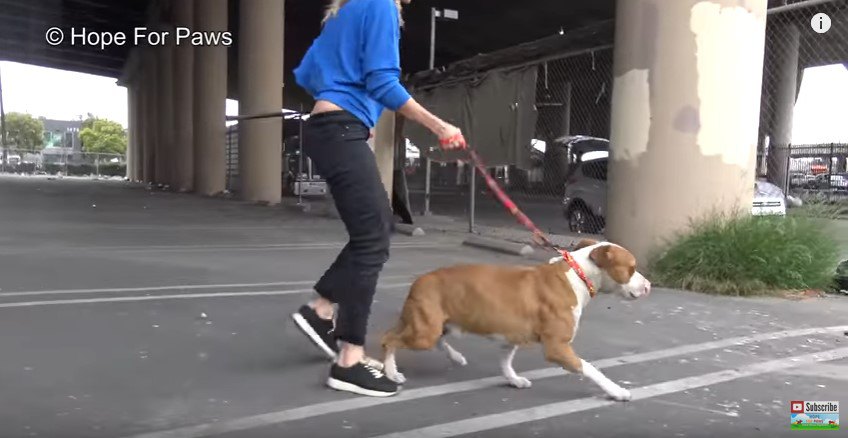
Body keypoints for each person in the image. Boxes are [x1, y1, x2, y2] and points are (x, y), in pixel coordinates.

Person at [290, 0, 466, 398]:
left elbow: (307, 71)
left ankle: (320, 311)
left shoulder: (346, 10)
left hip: (331, 126)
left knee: (375, 231)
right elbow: (383, 83)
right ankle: (349, 360)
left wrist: (350, 107)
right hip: (339, 128)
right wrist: (440, 126)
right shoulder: (381, 4)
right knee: (373, 241)